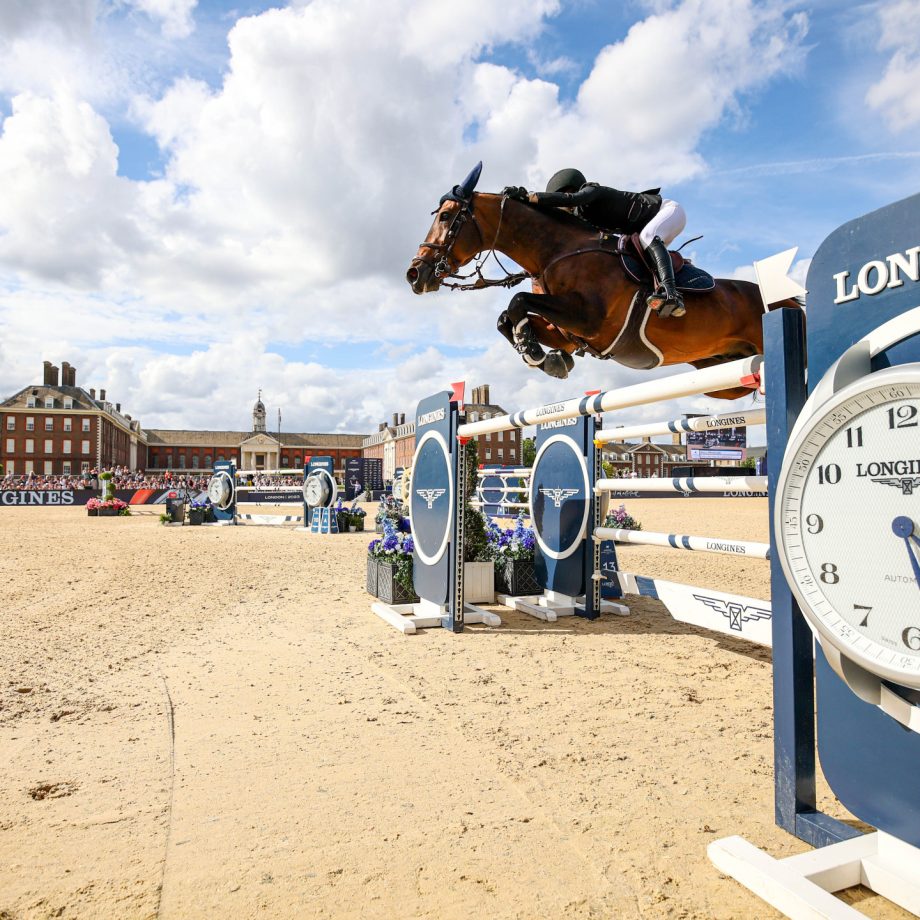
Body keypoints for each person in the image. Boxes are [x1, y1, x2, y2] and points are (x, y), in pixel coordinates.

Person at [502, 168, 688, 318]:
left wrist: (529, 197)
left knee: (647, 237)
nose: (562, 207)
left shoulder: (592, 191)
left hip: (668, 212)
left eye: (563, 197)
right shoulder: (583, 218)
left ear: (572, 189)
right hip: (646, 230)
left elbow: (573, 199)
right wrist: (522, 273)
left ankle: (671, 294)